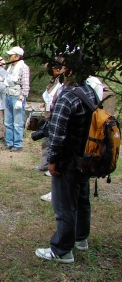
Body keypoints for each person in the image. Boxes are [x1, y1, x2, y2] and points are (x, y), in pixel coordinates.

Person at [35, 53, 98, 263]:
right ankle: (81, 239)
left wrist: (52, 161)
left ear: (69, 71)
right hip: (86, 156)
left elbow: (58, 133)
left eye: (62, 68)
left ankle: (62, 250)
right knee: (82, 200)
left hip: (68, 160)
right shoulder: (89, 92)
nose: (59, 71)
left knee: (64, 206)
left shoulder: (68, 96)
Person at [33, 61, 65, 172]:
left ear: (57, 70)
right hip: (49, 116)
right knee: (46, 140)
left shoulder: (63, 82)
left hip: (56, 116)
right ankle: (45, 164)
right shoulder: (54, 80)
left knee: (54, 142)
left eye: (51, 69)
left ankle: (54, 167)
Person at [1, 46, 30, 152]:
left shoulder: (23, 68)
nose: (9, 56)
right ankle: (9, 142)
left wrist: (21, 99)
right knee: (8, 121)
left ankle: (18, 144)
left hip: (17, 97)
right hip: (8, 95)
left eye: (11, 55)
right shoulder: (10, 67)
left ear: (17, 56)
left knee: (17, 122)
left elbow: (26, 86)